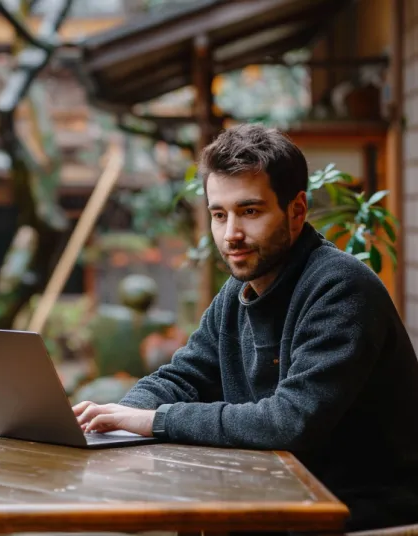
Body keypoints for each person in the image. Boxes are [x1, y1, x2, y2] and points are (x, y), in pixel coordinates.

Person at [73, 124, 418, 532]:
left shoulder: (341, 288)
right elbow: (185, 376)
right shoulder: (240, 290)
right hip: (278, 497)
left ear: (297, 210)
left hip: (356, 513)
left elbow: (290, 421)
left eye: (249, 211)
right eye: (219, 215)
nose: (231, 234)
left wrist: (154, 420)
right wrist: (116, 417)